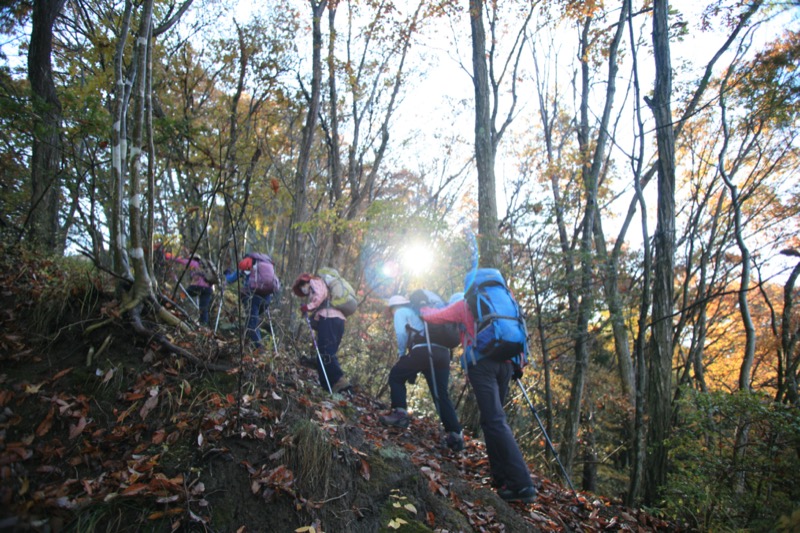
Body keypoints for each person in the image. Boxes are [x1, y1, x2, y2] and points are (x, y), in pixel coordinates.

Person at [420, 291, 537, 504]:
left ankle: (522, 483)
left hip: (483, 365)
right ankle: (502, 480)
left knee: (494, 420)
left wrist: (421, 308)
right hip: (507, 364)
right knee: (491, 420)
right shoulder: (503, 305)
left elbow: (435, 317)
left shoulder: (465, 305)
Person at [380, 295, 464, 452]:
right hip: (443, 353)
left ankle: (400, 414)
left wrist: (401, 355)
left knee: (396, 376)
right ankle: (455, 435)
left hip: (423, 350)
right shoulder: (419, 311)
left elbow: (401, 334)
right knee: (441, 394)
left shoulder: (400, 311)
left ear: (393, 307)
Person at [291, 273, 351, 394]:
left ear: (306, 282)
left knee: (325, 351)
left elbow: (320, 295)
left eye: (303, 285)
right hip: (336, 320)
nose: (303, 289)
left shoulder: (315, 282)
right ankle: (328, 386)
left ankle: (339, 380)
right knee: (324, 353)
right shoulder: (317, 287)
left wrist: (308, 307)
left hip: (329, 318)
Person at [226, 255, 274, 350]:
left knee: (251, 326)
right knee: (253, 323)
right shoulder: (266, 265)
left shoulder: (247, 263)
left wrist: (227, 274)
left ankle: (260, 350)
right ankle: (257, 348)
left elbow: (230, 279)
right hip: (266, 299)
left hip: (252, 297)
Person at [172, 254, 214, 326]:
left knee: (183, 295)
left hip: (197, 287)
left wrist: (168, 256)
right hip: (209, 289)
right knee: (203, 309)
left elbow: (181, 260)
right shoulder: (206, 266)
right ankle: (204, 326)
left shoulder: (194, 263)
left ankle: (173, 304)